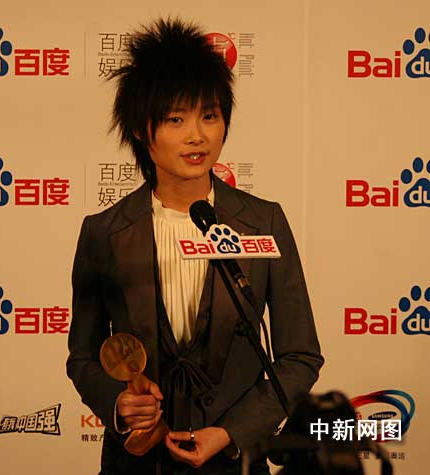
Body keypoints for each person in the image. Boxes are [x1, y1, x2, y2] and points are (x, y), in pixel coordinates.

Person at [67, 17, 323, 475]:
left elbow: (300, 355)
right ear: (141, 129)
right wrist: (119, 405)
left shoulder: (263, 222)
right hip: (137, 462)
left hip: (234, 461)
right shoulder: (104, 232)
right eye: (176, 119)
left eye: (209, 115)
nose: (197, 136)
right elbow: (84, 357)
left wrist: (231, 432)